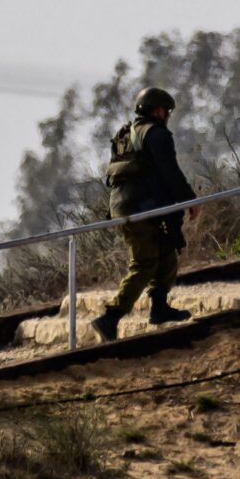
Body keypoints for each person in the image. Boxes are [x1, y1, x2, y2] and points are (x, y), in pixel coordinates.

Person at [93, 87, 197, 341]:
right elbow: (170, 172)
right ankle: (110, 317)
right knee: (144, 263)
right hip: (142, 208)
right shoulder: (156, 135)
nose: (167, 116)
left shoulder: (126, 134)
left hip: (128, 206)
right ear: (157, 110)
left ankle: (159, 308)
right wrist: (190, 201)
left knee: (166, 253)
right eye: (166, 111)